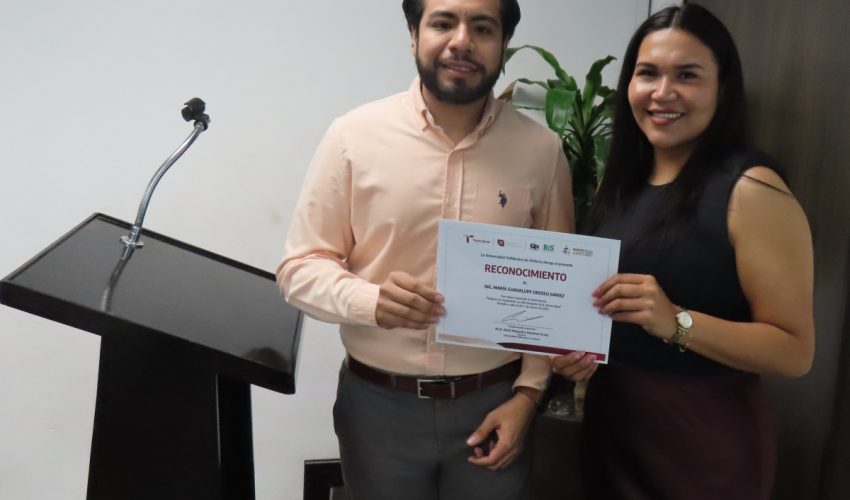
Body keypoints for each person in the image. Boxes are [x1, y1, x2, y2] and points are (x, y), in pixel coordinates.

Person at [277, 1, 593, 498]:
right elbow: (299, 268)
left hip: (495, 402)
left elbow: (553, 292)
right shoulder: (352, 138)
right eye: (443, 23)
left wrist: (529, 396)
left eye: (483, 27)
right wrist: (371, 301)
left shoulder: (541, 150)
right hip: (378, 405)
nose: (462, 41)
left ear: (503, 44)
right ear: (413, 34)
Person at [553, 3, 815, 499]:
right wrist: (577, 351)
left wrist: (676, 320)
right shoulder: (622, 184)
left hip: (700, 441)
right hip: (613, 427)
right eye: (647, 73)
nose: (662, 92)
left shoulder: (752, 189)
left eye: (687, 75)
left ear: (723, 87)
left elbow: (795, 350)